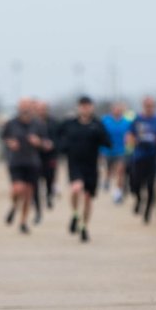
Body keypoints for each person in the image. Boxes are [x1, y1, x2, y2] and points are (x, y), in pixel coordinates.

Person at [59, 96, 111, 243]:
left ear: (92, 107)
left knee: (88, 198)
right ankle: (75, 214)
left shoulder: (97, 124)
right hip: (74, 163)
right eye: (82, 106)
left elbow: (107, 142)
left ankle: (84, 226)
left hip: (91, 165)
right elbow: (57, 136)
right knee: (76, 188)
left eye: (88, 106)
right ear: (78, 107)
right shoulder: (70, 123)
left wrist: (100, 138)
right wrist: (61, 147)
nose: (85, 109)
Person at [2, 98, 48, 234]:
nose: (25, 109)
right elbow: (4, 138)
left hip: (32, 162)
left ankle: (23, 221)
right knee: (18, 189)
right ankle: (14, 205)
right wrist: (10, 143)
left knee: (28, 194)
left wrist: (38, 142)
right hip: (16, 162)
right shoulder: (11, 123)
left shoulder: (38, 124)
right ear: (19, 107)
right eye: (22, 106)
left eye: (27, 106)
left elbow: (46, 143)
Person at [128, 96, 156, 223]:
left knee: (151, 186)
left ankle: (147, 212)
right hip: (139, 157)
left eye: (151, 106)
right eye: (147, 106)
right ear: (143, 106)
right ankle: (139, 199)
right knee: (135, 184)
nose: (149, 108)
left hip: (152, 157)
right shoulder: (137, 120)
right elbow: (129, 136)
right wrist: (135, 142)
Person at [101, 102, 133, 204]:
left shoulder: (126, 122)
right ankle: (106, 180)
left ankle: (118, 193)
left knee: (120, 170)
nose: (118, 111)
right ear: (112, 110)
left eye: (120, 110)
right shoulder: (105, 120)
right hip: (107, 150)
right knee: (109, 170)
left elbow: (131, 134)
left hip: (121, 150)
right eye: (116, 109)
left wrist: (129, 140)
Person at [33, 100, 60, 219]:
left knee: (49, 178)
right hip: (35, 156)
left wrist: (52, 144)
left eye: (43, 108)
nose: (41, 111)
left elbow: (60, 138)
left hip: (50, 156)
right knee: (35, 182)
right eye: (39, 109)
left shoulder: (54, 123)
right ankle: (37, 207)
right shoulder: (32, 124)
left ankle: (49, 195)